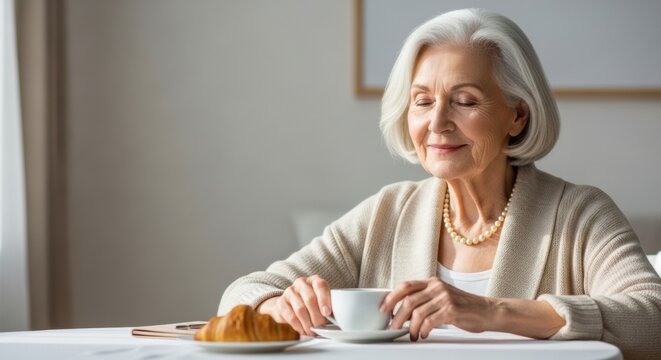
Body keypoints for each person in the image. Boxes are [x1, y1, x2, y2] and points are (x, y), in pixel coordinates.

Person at [218, 8, 661, 359]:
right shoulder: (387, 213)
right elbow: (242, 293)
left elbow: (653, 317)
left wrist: (491, 312)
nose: (437, 122)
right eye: (422, 101)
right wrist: (276, 306)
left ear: (517, 115)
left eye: (465, 101)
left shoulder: (579, 214)